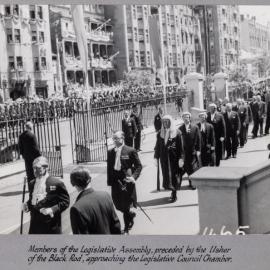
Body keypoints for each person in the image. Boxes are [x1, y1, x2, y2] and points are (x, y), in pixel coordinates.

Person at [22, 156, 70, 234]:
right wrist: (27, 205)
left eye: (38, 168)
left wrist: (52, 209)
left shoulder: (56, 183)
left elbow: (65, 202)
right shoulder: (32, 183)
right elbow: (33, 200)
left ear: (45, 168)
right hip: (35, 225)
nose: (35, 171)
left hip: (50, 225)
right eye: (34, 168)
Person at [107, 131, 142, 234]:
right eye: (113, 138)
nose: (115, 140)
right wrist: (110, 182)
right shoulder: (110, 152)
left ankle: (126, 229)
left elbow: (139, 166)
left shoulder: (130, 150)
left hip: (126, 181)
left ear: (122, 138)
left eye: (116, 138)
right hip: (115, 182)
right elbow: (109, 168)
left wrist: (133, 177)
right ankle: (130, 215)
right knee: (117, 205)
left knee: (125, 205)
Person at [69, 166, 121, 234]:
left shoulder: (76, 208)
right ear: (90, 179)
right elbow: (116, 225)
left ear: (73, 184)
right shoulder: (106, 195)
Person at [154, 115, 184, 202]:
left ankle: (174, 194)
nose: (165, 123)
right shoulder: (160, 133)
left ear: (170, 122)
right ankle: (172, 190)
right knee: (167, 175)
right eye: (164, 122)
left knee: (174, 176)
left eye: (167, 121)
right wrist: (156, 157)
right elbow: (157, 146)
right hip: (164, 159)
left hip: (174, 158)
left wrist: (181, 159)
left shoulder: (177, 133)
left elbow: (181, 147)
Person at [179, 112, 201, 189]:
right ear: (182, 118)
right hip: (185, 152)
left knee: (193, 167)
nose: (186, 118)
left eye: (187, 117)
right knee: (187, 167)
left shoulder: (195, 127)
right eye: (184, 117)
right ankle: (190, 182)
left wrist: (198, 150)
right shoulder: (180, 129)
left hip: (193, 150)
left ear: (190, 118)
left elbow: (198, 139)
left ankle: (193, 183)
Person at [18, 121, 41, 193]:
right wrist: (39, 156)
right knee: (36, 173)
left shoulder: (21, 136)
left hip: (27, 158)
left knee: (29, 173)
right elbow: (35, 148)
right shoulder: (32, 135)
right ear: (31, 127)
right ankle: (36, 187)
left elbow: (20, 148)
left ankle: (30, 187)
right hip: (34, 157)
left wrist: (23, 155)